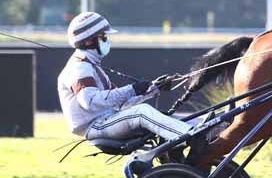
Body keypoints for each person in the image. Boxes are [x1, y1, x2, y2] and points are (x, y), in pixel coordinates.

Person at [57, 12, 205, 161]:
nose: (107, 40)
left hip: (108, 120)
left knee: (164, 116)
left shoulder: (91, 65)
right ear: (89, 41)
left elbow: (121, 104)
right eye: (104, 36)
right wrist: (132, 89)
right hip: (96, 127)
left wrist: (154, 89)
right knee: (141, 112)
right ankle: (193, 136)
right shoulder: (79, 67)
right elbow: (90, 102)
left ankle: (207, 129)